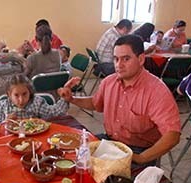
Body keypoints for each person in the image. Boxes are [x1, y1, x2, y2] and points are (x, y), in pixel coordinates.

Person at [59, 34, 181, 165]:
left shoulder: (156, 90)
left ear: (141, 59)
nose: (119, 65)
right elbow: (96, 103)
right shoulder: (109, 82)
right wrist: (71, 99)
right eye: (116, 59)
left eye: (126, 59)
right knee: (68, 155)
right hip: (111, 142)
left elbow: (172, 134)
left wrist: (142, 158)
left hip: (139, 150)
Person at [0, 75, 79, 123]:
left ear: (30, 92)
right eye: (16, 95)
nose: (21, 100)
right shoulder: (3, 105)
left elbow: (55, 112)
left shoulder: (36, 102)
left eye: (24, 94)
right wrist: (5, 122)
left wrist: (64, 99)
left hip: (35, 141)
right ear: (9, 95)